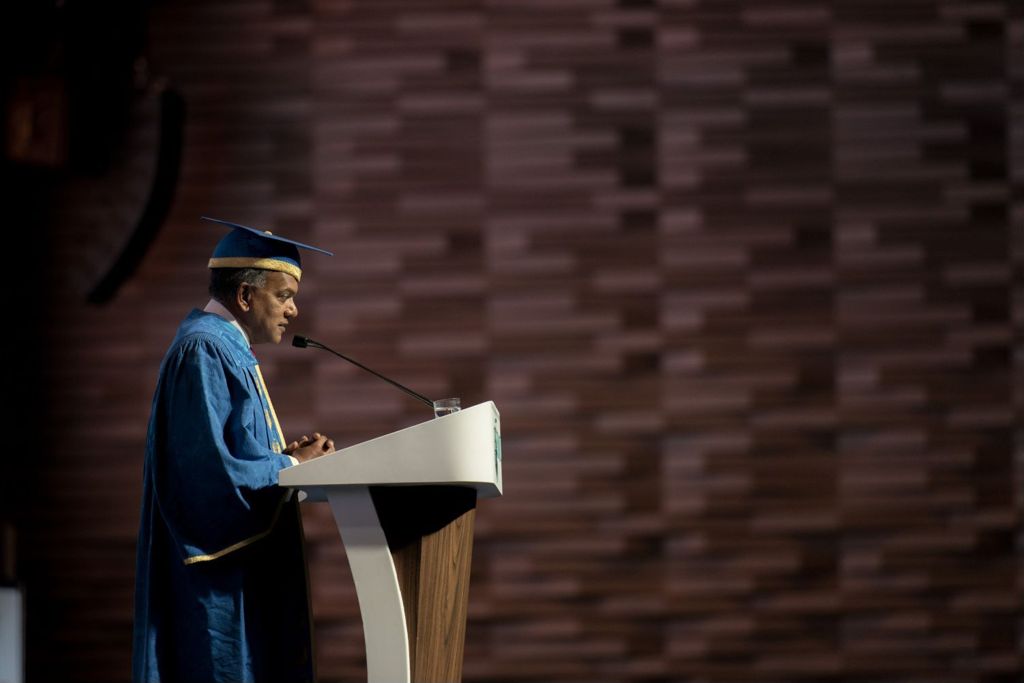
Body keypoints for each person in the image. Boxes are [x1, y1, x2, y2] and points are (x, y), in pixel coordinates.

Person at [132, 217, 335, 682]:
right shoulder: (204, 348)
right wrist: (288, 464)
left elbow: (228, 451)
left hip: (241, 577)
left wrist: (283, 458)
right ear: (245, 296)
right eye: (284, 296)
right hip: (217, 587)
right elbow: (208, 475)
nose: (294, 311)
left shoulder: (223, 345)